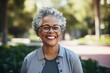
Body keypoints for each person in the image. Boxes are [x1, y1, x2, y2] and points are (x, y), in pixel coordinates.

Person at [20, 7, 83, 73]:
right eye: (46, 27)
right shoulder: (29, 60)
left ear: (60, 31)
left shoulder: (72, 58)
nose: (51, 31)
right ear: (39, 32)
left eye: (55, 27)